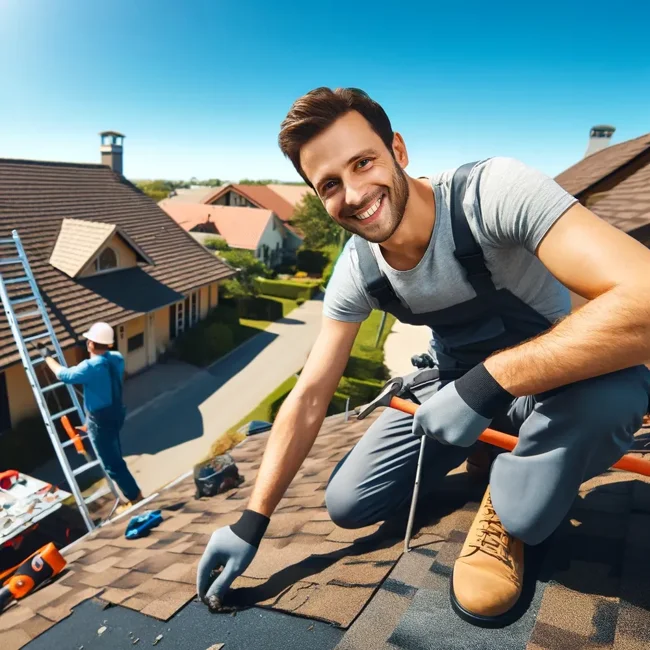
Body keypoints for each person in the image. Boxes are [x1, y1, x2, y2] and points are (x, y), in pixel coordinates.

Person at [196, 87, 650, 624]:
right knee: (349, 505)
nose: (356, 193)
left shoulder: (492, 194)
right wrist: (253, 520)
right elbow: (311, 394)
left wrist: (490, 381)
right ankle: (491, 448)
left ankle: (506, 500)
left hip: (554, 387)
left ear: (399, 150)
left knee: (577, 448)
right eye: (330, 185)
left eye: (363, 162)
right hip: (451, 387)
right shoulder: (358, 270)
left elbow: (643, 297)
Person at [40, 322, 143, 512]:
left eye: (88, 340)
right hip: (116, 413)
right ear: (110, 344)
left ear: (91, 344)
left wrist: (47, 357)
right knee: (115, 454)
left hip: (101, 420)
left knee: (111, 464)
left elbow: (64, 374)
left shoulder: (90, 367)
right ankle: (133, 493)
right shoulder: (116, 358)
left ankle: (135, 497)